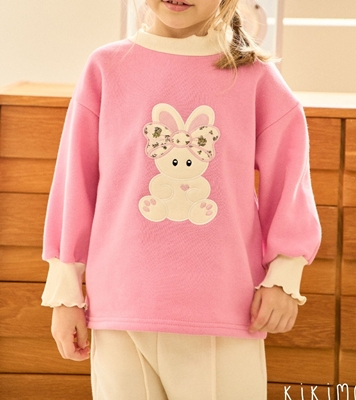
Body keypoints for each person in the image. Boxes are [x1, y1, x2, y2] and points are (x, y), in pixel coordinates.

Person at [41, 0, 321, 399]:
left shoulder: (255, 78)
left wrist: (285, 276)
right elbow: (75, 183)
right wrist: (65, 293)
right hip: (120, 308)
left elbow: (290, 178)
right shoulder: (106, 68)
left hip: (224, 309)